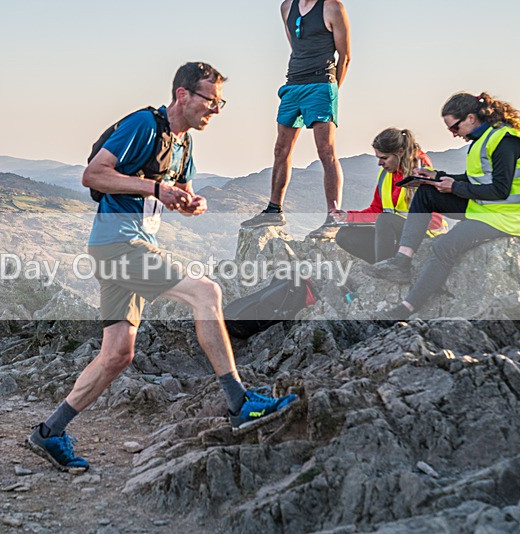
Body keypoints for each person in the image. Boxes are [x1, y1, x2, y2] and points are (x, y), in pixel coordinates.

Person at [26, 62, 297, 473]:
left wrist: (191, 202)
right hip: (119, 245)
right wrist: (155, 187)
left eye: (221, 102)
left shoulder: (184, 145)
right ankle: (240, 402)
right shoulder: (143, 125)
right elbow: (93, 175)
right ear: (183, 95)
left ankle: (48, 432)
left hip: (128, 246)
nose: (216, 110)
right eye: (211, 100)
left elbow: (179, 193)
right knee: (206, 292)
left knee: (117, 354)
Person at [365, 92, 520, 319]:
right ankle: (402, 261)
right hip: (484, 208)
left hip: (506, 216)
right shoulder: (483, 140)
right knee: (426, 191)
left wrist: (454, 187)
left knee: (445, 247)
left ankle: (406, 308)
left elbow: (499, 190)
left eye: (454, 128)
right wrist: (437, 176)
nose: (453, 135)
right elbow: (477, 180)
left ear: (470, 118)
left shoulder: (505, 140)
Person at [241, 0, 351, 239]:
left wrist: (332, 89)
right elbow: (296, 46)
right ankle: (274, 209)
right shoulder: (286, 7)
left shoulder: (332, 7)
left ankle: (333, 215)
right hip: (293, 84)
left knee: (326, 150)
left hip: (322, 83)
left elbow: (345, 55)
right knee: (281, 148)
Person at [333, 128, 447, 264]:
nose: (379, 163)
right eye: (378, 158)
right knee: (345, 235)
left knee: (386, 220)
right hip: (398, 234)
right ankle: (384, 264)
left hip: (426, 236)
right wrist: (348, 217)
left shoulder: (422, 172)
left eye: (384, 158)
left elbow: (434, 221)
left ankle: (386, 270)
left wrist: (393, 223)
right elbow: (377, 210)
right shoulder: (385, 176)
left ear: (399, 152)